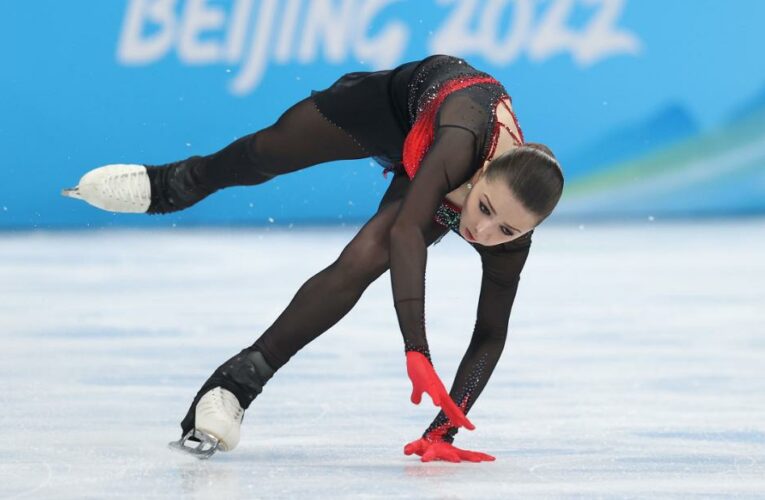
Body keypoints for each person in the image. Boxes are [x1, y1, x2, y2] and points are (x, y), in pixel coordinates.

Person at [62, 54, 564, 463]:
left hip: (434, 168)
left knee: (360, 262)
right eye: (485, 210)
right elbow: (409, 229)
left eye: (508, 231)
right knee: (267, 153)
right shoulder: (463, 139)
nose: (481, 231)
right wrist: (418, 348)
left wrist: (444, 430)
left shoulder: (509, 231)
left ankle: (234, 386)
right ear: (480, 177)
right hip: (391, 108)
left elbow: (490, 333)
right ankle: (176, 183)